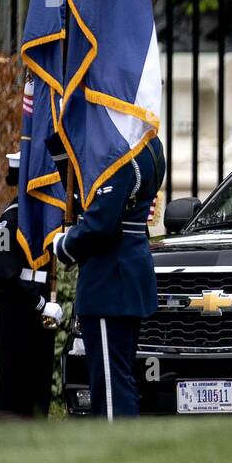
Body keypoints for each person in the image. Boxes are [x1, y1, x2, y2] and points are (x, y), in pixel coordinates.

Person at [51, 133, 166, 420]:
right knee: (118, 374)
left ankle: (120, 453)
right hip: (126, 269)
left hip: (110, 276)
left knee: (110, 383)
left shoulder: (121, 152)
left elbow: (102, 222)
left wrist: (65, 245)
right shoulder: (151, 145)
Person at [0, 151, 63, 417]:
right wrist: (40, 303)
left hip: (39, 302)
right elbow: (6, 276)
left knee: (39, 379)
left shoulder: (43, 220)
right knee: (14, 382)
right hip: (19, 308)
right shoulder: (9, 223)